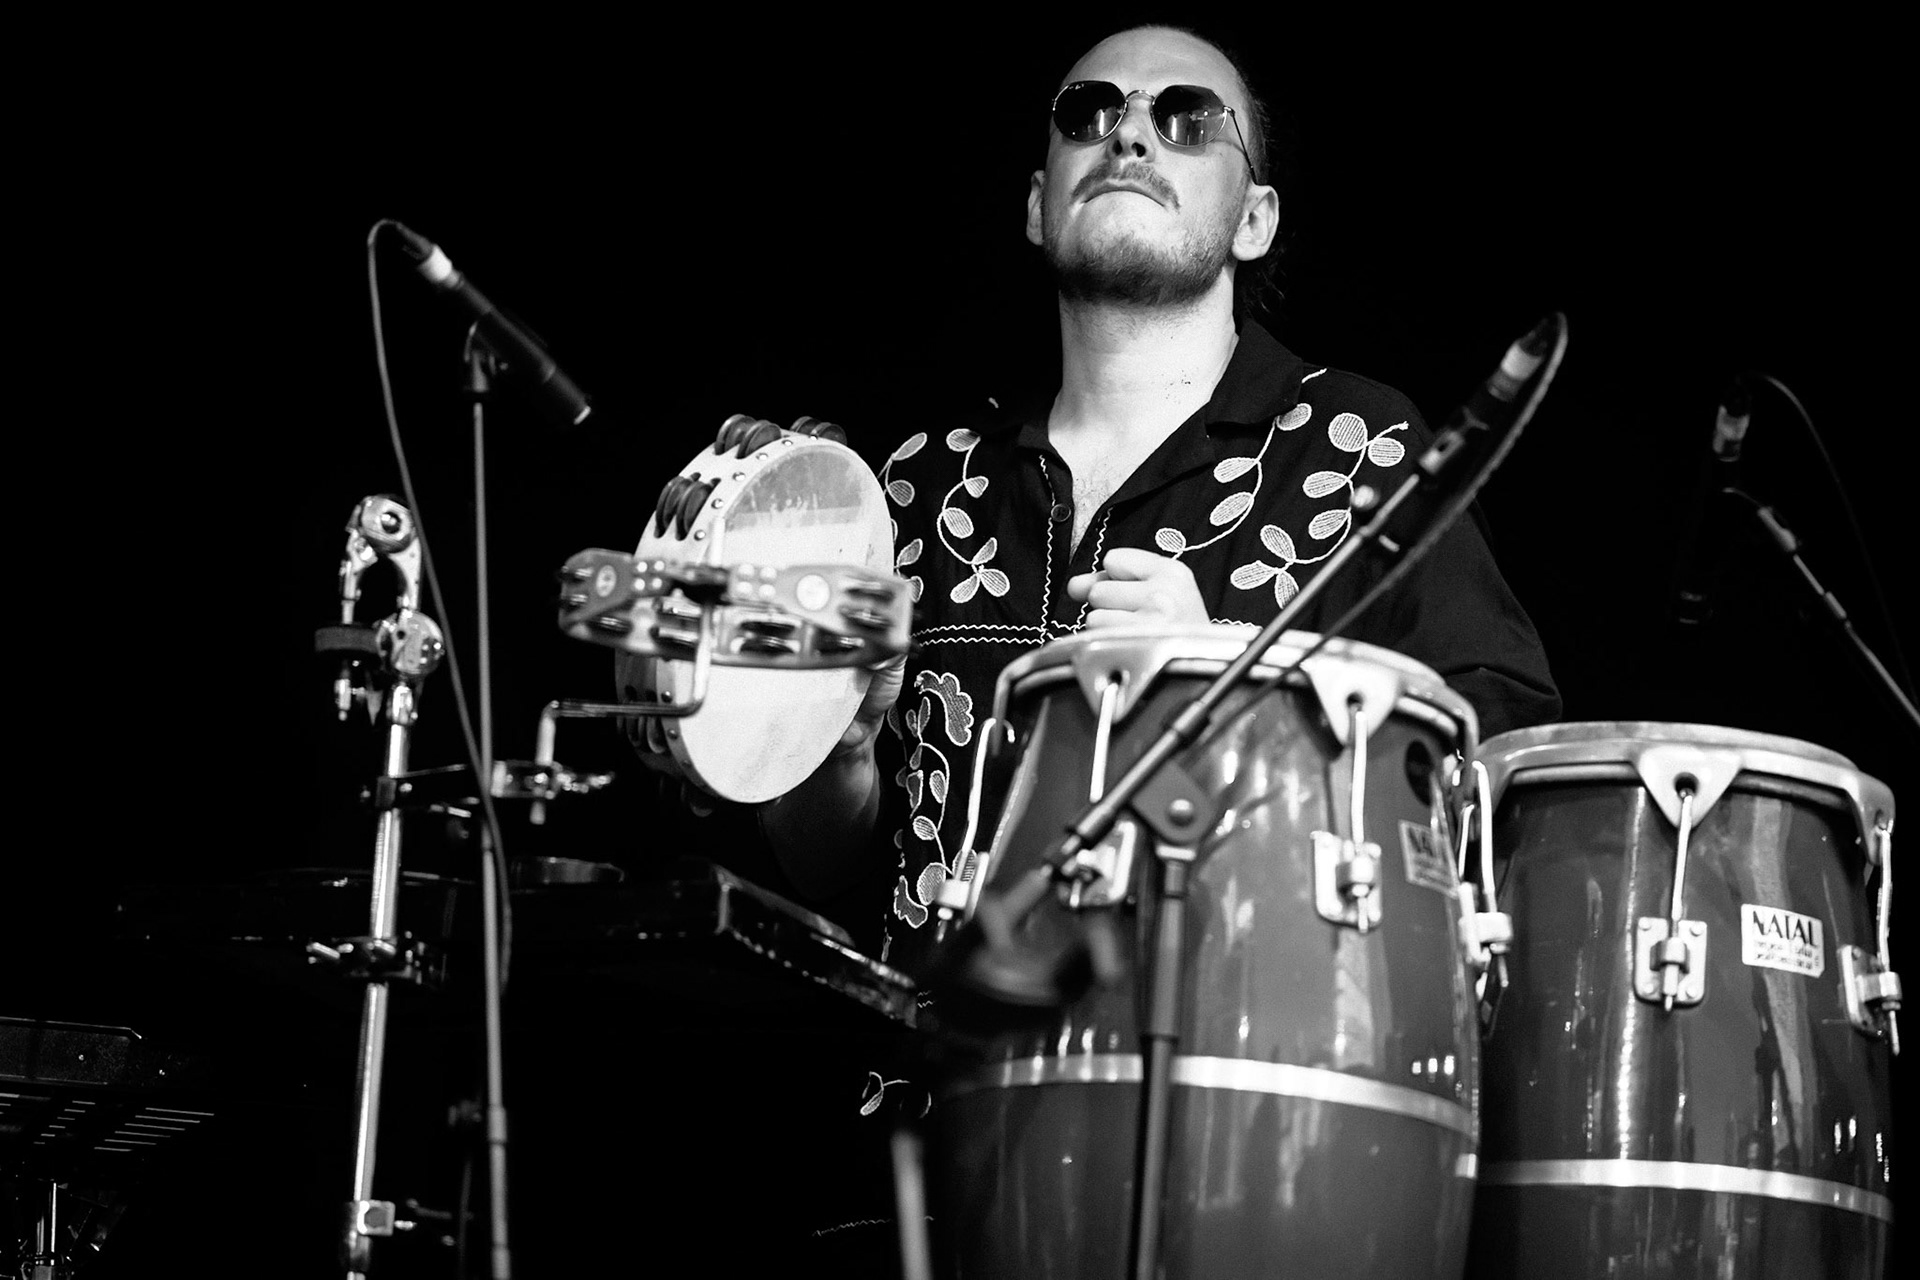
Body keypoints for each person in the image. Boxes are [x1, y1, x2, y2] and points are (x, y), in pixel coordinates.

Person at [744, 22, 1561, 978]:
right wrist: (836, 751)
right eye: (1089, 114)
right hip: (939, 1100)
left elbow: (1495, 773)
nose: (1129, 137)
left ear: (1254, 219)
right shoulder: (922, 480)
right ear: (1040, 205)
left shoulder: (1360, 452)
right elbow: (828, 871)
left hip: (1236, 1079)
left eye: (1187, 120)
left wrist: (1238, 689)